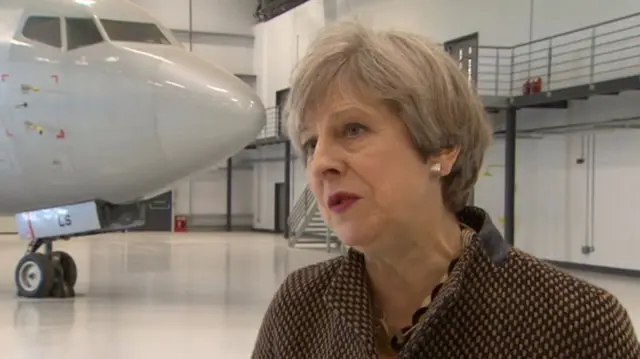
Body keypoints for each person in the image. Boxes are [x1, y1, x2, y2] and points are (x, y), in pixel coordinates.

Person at [251, 21, 640, 359]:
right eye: (309, 143)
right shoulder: (299, 306)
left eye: (353, 129)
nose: (320, 164)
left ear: (442, 149)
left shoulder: (577, 324)